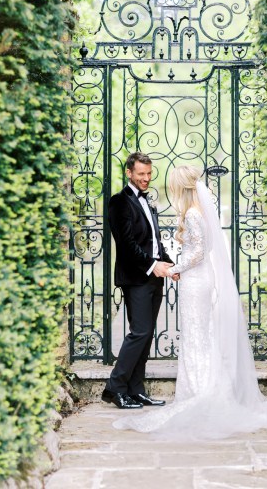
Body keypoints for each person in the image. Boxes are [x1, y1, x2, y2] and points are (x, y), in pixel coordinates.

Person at [113, 165, 267, 438]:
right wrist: (170, 265)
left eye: (173, 185)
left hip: (194, 280)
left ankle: (198, 390)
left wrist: (175, 267)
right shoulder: (197, 211)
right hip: (196, 279)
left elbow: (199, 252)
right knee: (199, 334)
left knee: (195, 335)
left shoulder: (192, 213)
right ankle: (188, 386)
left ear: (182, 186)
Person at [102, 152, 179, 410]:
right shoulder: (119, 202)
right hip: (136, 277)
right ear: (129, 173)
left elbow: (154, 243)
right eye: (141, 174)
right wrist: (152, 265)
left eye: (149, 174)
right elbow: (126, 245)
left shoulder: (148, 202)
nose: (146, 178)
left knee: (146, 336)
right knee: (140, 333)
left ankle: (136, 390)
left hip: (154, 276)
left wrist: (169, 263)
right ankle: (115, 388)